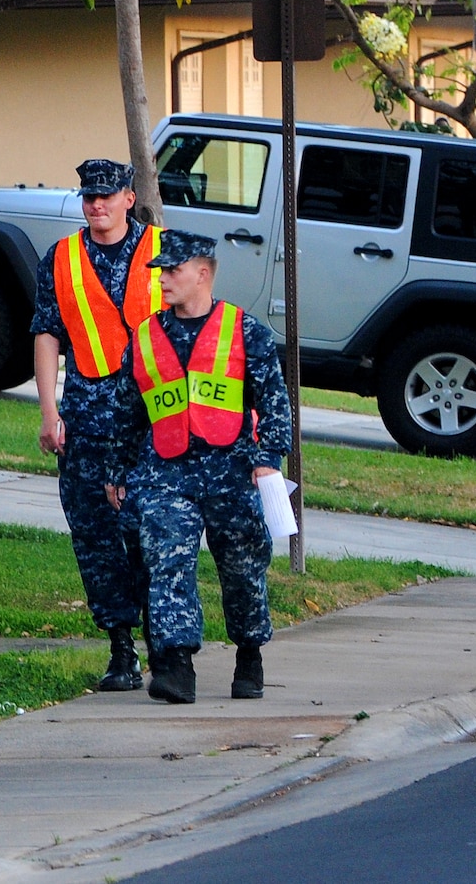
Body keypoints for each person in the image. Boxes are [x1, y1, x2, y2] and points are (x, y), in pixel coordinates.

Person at [113, 229, 291, 705]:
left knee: (242, 568)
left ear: (203, 273)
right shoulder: (146, 336)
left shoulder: (246, 331)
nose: (163, 281)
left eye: (172, 271)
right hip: (164, 473)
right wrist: (119, 470)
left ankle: (249, 653)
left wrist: (267, 460)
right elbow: (129, 412)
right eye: (160, 272)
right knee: (167, 562)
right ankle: (175, 667)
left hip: (231, 472)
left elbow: (274, 404)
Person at [30, 158, 164, 692]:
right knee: (94, 534)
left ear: (130, 197)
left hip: (153, 416)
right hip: (86, 414)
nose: (97, 206)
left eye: (107, 196)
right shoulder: (60, 258)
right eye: (89, 197)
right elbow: (47, 333)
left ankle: (166, 644)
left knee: (152, 530)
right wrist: (48, 411)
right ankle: (121, 650)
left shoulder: (162, 250)